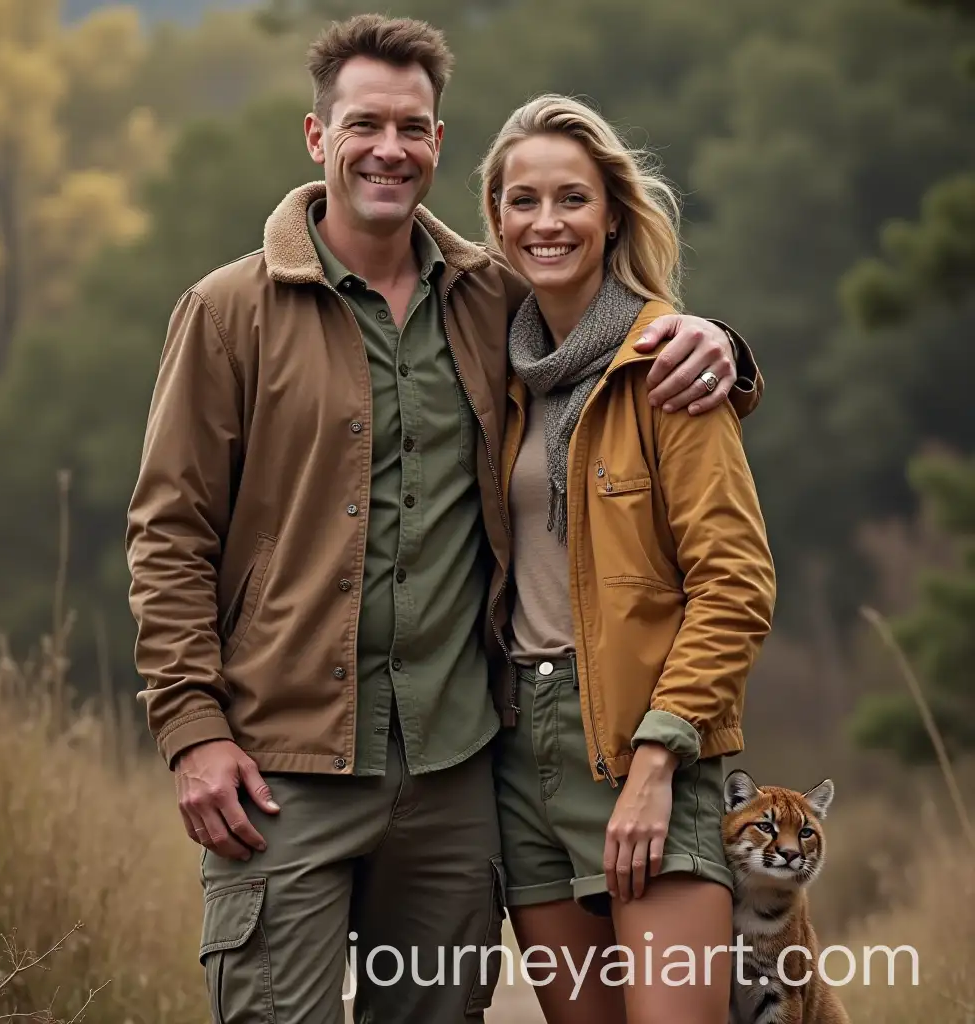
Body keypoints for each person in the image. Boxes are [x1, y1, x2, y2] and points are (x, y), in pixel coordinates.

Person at [124, 15, 764, 1024]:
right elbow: (168, 536)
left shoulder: (488, 299)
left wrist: (715, 341)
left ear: (437, 141)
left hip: (457, 775)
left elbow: (607, 323)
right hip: (284, 771)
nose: (389, 147)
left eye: (413, 127)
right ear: (314, 135)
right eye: (364, 123)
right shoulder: (227, 311)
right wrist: (192, 728)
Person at [478, 94, 777, 1023]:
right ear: (495, 219)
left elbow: (736, 584)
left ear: (612, 212)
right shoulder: (499, 373)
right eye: (521, 201)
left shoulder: (673, 371)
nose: (546, 222)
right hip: (522, 750)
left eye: (572, 198)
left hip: (648, 746)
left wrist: (657, 758)